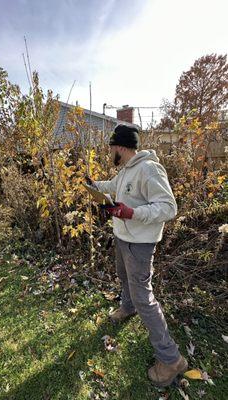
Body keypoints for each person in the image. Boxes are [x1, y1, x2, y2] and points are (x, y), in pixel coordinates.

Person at [87, 124, 188, 387]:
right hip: (123, 238)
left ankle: (171, 359)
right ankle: (127, 307)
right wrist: (93, 185)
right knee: (123, 276)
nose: (110, 152)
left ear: (120, 147)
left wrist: (132, 213)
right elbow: (112, 186)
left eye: (111, 148)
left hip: (140, 244)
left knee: (144, 297)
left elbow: (168, 207)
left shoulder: (149, 169)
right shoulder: (126, 171)